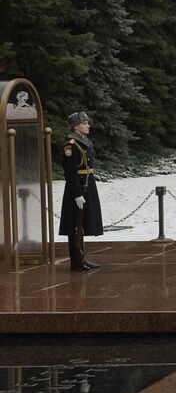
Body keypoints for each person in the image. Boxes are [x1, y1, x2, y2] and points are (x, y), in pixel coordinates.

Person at [58, 111, 102, 273]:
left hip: (87, 185)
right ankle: (77, 261)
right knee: (75, 225)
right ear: (76, 127)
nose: (88, 125)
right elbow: (70, 173)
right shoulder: (71, 145)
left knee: (82, 224)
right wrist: (76, 194)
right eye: (84, 123)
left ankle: (82, 257)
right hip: (78, 188)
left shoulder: (84, 142)